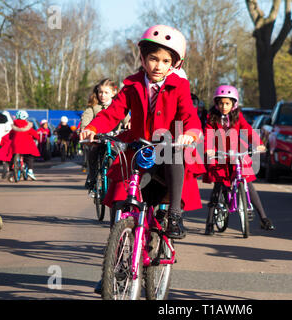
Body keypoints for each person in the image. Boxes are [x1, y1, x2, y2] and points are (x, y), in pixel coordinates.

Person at [80, 25, 204, 240]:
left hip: (167, 151)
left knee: (174, 153)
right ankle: (119, 244)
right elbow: (112, 113)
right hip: (138, 149)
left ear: (175, 63)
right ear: (143, 59)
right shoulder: (131, 85)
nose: (158, 66)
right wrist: (92, 128)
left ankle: (174, 214)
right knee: (120, 192)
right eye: (153, 59)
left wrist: (190, 133)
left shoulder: (180, 85)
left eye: (166, 61)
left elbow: (189, 116)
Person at [203, 85, 275, 234]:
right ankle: (209, 222)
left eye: (227, 103)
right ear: (216, 103)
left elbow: (248, 131)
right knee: (218, 186)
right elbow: (209, 134)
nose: (224, 106)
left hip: (237, 153)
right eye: (221, 103)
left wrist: (259, 144)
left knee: (248, 181)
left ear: (234, 104)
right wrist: (209, 150)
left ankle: (263, 218)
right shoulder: (212, 118)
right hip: (220, 155)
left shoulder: (238, 116)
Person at [80, 78, 130, 191]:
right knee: (92, 152)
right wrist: (85, 129)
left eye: (106, 92)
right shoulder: (93, 107)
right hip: (97, 138)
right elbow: (86, 120)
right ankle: (92, 176)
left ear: (113, 93)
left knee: (120, 155)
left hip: (114, 139)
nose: (102, 95)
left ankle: (118, 180)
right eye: (100, 92)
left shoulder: (118, 105)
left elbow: (126, 118)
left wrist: (128, 123)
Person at [8, 110, 40, 180]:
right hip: (26, 146)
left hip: (16, 145)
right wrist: (37, 138)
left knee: (12, 157)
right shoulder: (28, 126)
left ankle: (11, 172)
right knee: (29, 157)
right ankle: (30, 171)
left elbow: (10, 136)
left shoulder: (14, 127)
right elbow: (36, 135)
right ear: (25, 117)